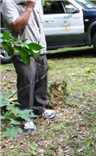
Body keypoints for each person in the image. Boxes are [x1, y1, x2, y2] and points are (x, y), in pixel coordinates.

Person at [1, 0, 56, 131]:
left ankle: (39, 109)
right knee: (26, 83)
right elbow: (16, 26)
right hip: (23, 51)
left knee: (41, 80)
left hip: (40, 48)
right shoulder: (8, 3)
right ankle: (25, 117)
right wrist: (29, 7)